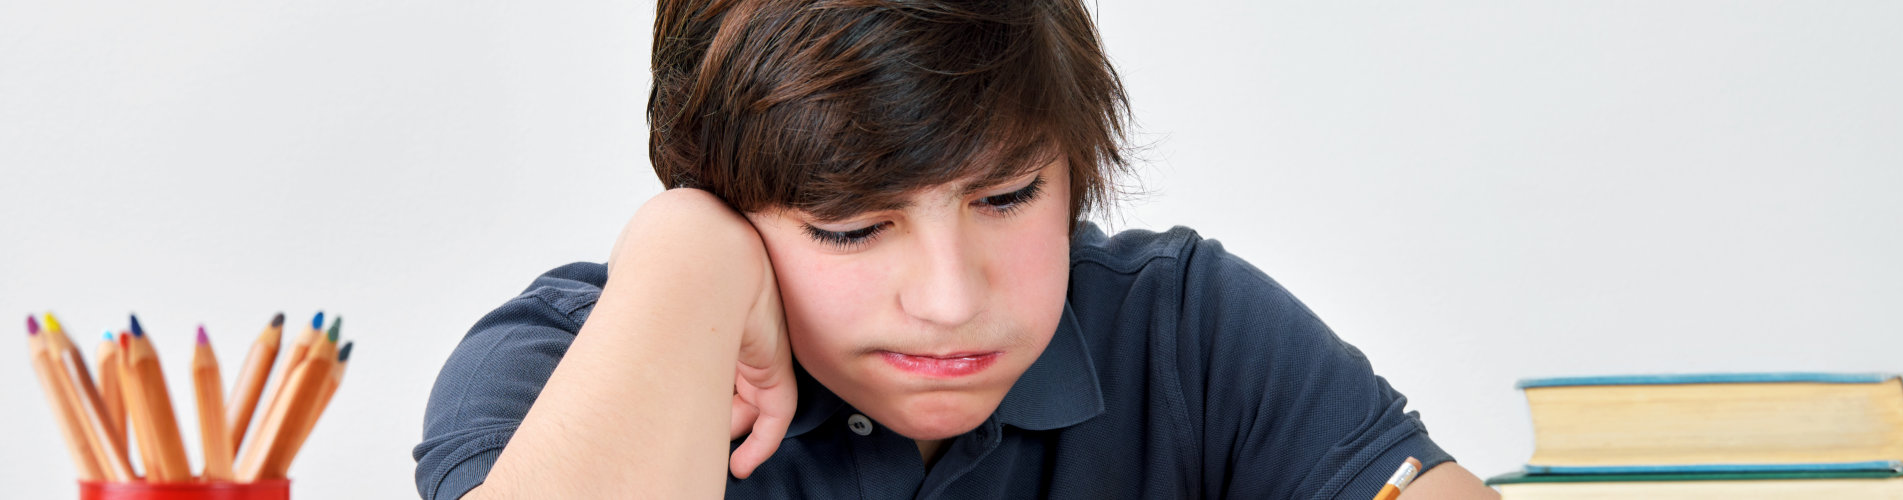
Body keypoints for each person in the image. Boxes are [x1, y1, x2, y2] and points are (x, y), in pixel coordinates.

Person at [414, 0, 1500, 498]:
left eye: (1010, 195)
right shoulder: (563, 368)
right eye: (852, 224)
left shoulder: (1185, 330)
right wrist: (681, 253)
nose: (949, 298)